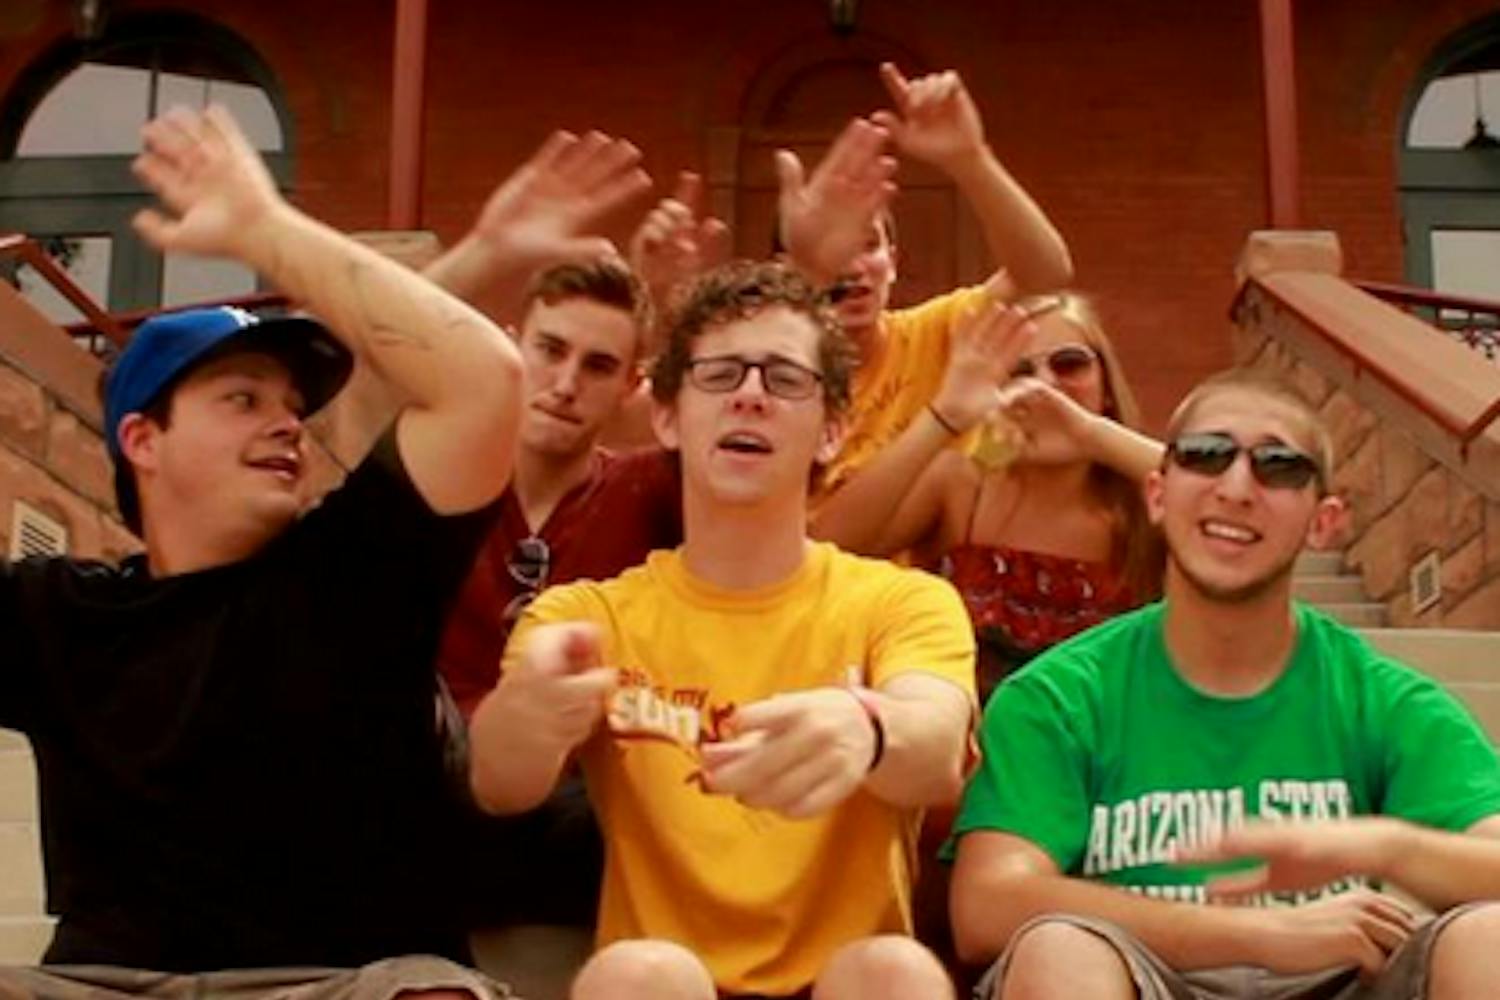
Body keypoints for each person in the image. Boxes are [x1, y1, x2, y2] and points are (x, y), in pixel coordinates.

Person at [0, 100, 581, 999]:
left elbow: (482, 381)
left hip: (341, 983)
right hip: (104, 984)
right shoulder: (54, 612)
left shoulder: (352, 568)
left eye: (293, 409)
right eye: (243, 400)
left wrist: (263, 229)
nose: (287, 426)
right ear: (142, 440)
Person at [468, 260, 976, 999]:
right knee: (637, 974)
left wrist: (868, 726)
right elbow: (499, 783)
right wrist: (531, 706)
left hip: (845, 986)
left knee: (892, 971)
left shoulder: (901, 602)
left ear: (833, 430)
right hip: (665, 985)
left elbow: (935, 746)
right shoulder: (591, 615)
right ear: (668, 418)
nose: (750, 395)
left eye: (785, 378)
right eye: (720, 374)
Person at [949, 371, 1500, 999]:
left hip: (1341, 976)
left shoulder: (1381, 697)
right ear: (1157, 495)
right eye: (1205, 455)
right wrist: (1255, 934)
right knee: (1058, 951)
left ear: (1323, 523)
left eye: (1279, 467)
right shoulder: (1061, 695)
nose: (1236, 488)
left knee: (1490, 937)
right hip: (1145, 976)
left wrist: (1388, 848)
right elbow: (987, 904)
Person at [434, 258, 681, 929]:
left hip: (581, 812)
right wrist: (491, 246)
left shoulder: (651, 490)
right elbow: (363, 388)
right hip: (432, 792)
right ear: (513, 348)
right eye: (550, 350)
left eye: (598, 366)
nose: (566, 384)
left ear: (632, 385)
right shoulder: (439, 481)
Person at [775, 64, 1073, 507]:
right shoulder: (766, 372)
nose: (853, 268)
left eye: (869, 245)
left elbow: (1044, 273)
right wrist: (810, 270)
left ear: (893, 263)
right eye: (840, 249)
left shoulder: (934, 333)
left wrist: (970, 161)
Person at [856, 292, 1163, 701]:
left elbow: (1231, 502)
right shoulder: (961, 485)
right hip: (962, 732)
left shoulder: (1147, 503)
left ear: (1106, 383)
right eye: (1018, 372)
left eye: (1069, 363)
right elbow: (829, 547)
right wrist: (945, 415)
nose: (1044, 385)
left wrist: (1091, 435)